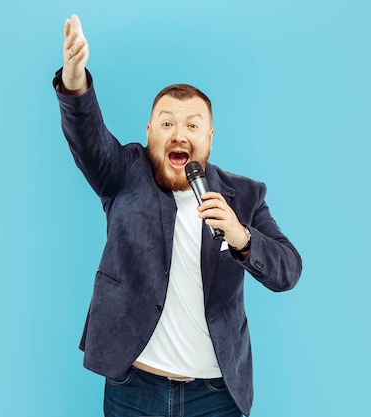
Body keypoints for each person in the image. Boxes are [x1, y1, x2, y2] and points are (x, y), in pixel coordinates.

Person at [53, 14, 302, 417]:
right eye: (167, 123)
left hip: (217, 396)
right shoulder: (124, 173)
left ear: (209, 137)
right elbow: (88, 138)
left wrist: (242, 238)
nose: (179, 133)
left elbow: (288, 270)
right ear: (150, 131)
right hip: (134, 387)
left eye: (192, 124)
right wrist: (75, 80)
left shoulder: (246, 196)